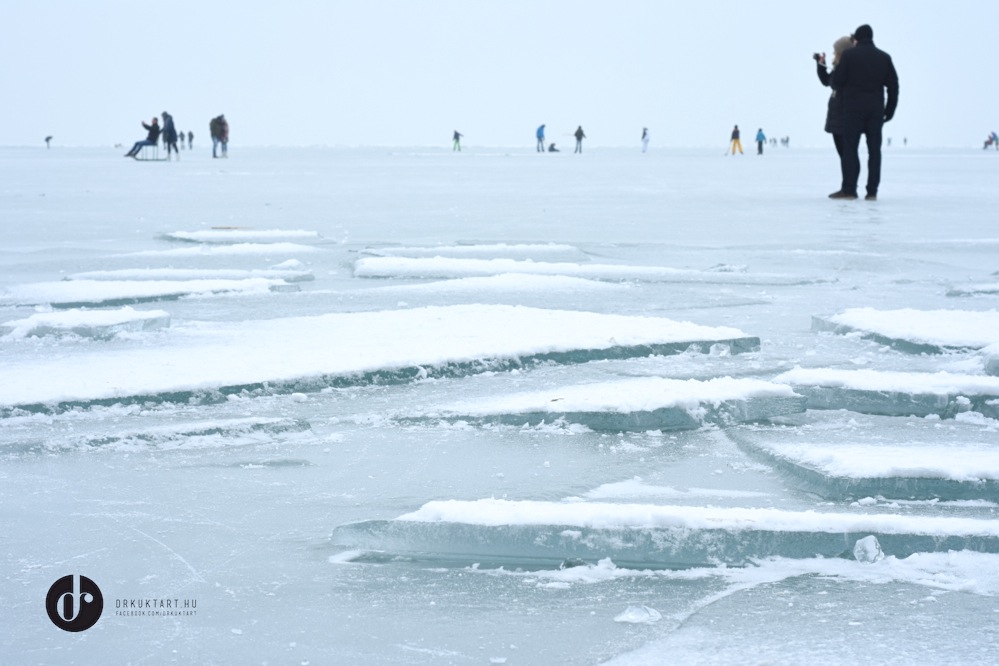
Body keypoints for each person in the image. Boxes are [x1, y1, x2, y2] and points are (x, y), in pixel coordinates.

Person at [830, 24, 899, 201]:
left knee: (850, 150)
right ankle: (872, 192)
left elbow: (836, 82)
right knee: (874, 151)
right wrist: (889, 111)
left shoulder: (849, 56)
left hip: (852, 111)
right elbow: (893, 86)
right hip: (876, 112)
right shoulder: (884, 58)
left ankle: (849, 190)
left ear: (857, 39)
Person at [816, 36, 855, 194]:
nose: (833, 53)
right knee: (844, 155)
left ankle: (848, 188)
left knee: (846, 155)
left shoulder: (846, 68)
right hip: (837, 116)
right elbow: (827, 81)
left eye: (835, 51)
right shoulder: (839, 67)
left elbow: (833, 83)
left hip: (843, 117)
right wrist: (821, 65)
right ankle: (847, 186)